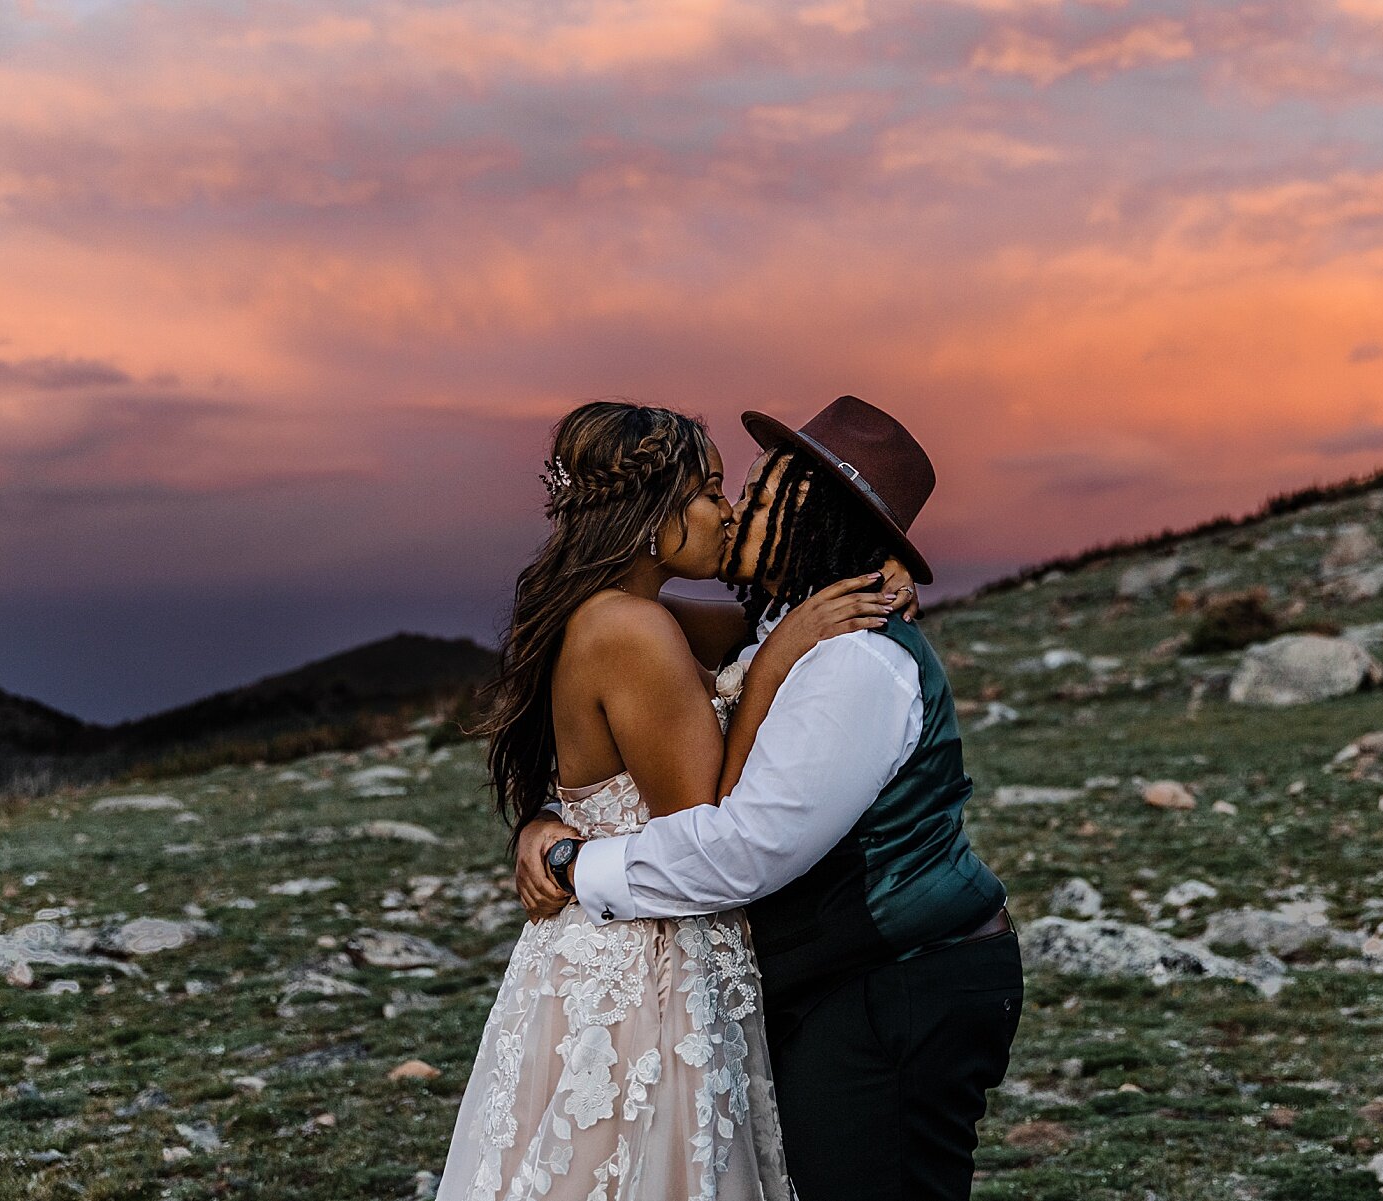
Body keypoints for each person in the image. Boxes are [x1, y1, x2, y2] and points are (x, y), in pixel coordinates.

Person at [517, 396, 1022, 1201]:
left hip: (902, 982)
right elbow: (622, 716)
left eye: (754, 492)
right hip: (787, 976)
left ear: (809, 512)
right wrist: (547, 817)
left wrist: (577, 858)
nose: (735, 508)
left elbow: (740, 846)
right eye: (721, 491)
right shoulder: (763, 625)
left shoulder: (848, 656)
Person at [433, 399, 915, 1201]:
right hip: (645, 958)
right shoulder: (630, 630)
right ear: (655, 514)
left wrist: (871, 570)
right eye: (711, 491)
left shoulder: (636, 614)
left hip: (634, 937)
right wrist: (778, 663)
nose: (727, 513)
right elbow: (707, 814)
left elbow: (757, 618)